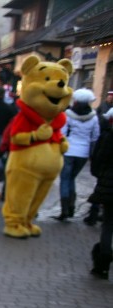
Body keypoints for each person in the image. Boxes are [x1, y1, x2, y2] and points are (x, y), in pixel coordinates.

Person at [55, 88, 100, 221]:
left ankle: (65, 209)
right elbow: (95, 136)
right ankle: (71, 206)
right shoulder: (93, 117)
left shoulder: (68, 114)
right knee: (72, 178)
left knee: (65, 178)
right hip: (83, 152)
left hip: (69, 150)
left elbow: (62, 132)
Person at [88, 108, 113, 279]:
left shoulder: (109, 136)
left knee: (108, 224)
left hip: (109, 185)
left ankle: (103, 264)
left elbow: (99, 159)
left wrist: (101, 176)